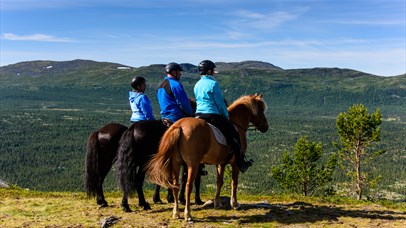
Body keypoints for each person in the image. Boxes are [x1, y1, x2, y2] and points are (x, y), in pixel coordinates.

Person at [193, 60, 252, 173]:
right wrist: (226, 115)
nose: (214, 72)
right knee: (234, 135)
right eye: (213, 70)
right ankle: (241, 163)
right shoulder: (213, 84)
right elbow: (220, 103)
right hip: (212, 115)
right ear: (209, 70)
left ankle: (199, 166)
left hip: (198, 115)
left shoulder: (197, 85)